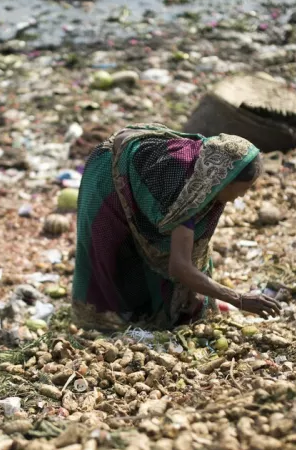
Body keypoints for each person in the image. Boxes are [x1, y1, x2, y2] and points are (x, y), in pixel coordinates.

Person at [71, 124, 281, 331]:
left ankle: (160, 311)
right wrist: (239, 299)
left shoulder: (209, 172)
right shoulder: (185, 197)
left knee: (168, 257)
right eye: (241, 190)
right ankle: (110, 323)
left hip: (138, 170)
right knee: (115, 257)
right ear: (223, 181)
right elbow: (179, 266)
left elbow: (188, 251)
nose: (241, 197)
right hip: (108, 178)